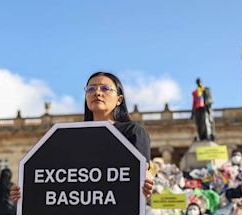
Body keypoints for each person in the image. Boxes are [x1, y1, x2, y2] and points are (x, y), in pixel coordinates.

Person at [11, 71, 154, 203]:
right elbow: (57, 178)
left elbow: (139, 174)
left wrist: (147, 183)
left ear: (119, 99)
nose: (97, 92)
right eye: (91, 89)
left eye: (105, 88)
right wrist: (27, 193)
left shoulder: (133, 131)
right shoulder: (70, 136)